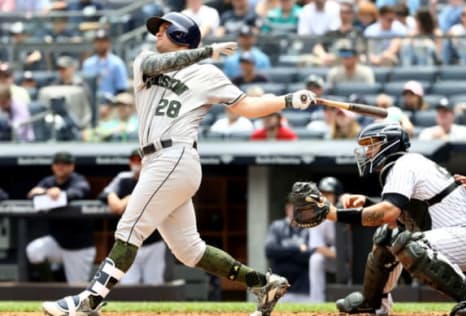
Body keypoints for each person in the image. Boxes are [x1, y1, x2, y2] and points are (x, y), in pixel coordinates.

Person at [43, 11, 316, 316]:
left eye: (164, 29)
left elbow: (248, 107)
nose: (157, 34)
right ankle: (263, 283)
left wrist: (288, 100)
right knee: (189, 251)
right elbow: (161, 64)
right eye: (158, 30)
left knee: (130, 228)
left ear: (182, 36)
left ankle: (88, 301)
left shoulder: (208, 75)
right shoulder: (145, 61)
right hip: (155, 160)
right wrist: (207, 51)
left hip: (175, 157)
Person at [298, 122, 466, 316]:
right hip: (462, 234)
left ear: (390, 144)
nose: (367, 152)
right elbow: (401, 218)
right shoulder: (408, 163)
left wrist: (334, 214)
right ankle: (374, 303)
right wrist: (368, 204)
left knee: (410, 245)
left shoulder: (404, 164)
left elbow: (388, 213)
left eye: (372, 145)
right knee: (387, 236)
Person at [99, 150, 167, 285]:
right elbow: (105, 194)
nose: (136, 164)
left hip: (154, 241)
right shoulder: (123, 177)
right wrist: (112, 196)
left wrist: (129, 199)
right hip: (130, 242)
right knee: (129, 284)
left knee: (154, 284)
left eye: (139, 160)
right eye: (134, 160)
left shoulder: (158, 177)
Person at [26, 151, 94, 285]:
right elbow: (32, 195)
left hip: (79, 247)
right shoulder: (49, 182)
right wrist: (47, 192)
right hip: (57, 242)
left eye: (65, 164)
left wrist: (59, 194)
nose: (61, 167)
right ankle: (50, 285)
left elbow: (79, 192)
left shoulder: (78, 179)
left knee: (77, 289)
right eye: (58, 163)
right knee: (34, 250)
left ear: (72, 166)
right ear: (53, 166)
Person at [265, 201, 311, 302]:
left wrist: (284, 253)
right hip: (279, 283)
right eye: (290, 207)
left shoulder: (308, 228)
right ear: (286, 209)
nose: (293, 210)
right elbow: (270, 251)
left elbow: (310, 255)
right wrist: (298, 249)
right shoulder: (276, 226)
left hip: (302, 286)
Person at [309, 177, 338, 302]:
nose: (325, 197)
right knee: (315, 259)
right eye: (323, 194)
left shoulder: (347, 209)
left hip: (352, 258)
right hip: (332, 256)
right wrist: (337, 255)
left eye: (329, 194)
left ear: (337, 196)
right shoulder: (316, 215)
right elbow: (318, 247)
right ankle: (317, 300)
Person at [81, 29, 129, 100]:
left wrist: (111, 106)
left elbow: (122, 89)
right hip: (91, 103)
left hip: (112, 104)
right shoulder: (88, 63)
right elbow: (85, 86)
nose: (100, 44)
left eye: (103, 41)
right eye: (98, 41)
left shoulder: (117, 63)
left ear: (108, 43)